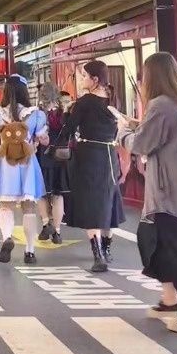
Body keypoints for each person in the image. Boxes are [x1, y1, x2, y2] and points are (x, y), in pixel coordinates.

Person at [118, 53, 177, 332]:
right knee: (162, 247)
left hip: (169, 194)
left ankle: (174, 303)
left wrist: (122, 133)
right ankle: (169, 301)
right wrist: (137, 124)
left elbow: (142, 145)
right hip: (176, 191)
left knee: (170, 249)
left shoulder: (160, 105)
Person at [66, 59, 126, 273]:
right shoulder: (114, 100)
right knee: (109, 201)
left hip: (89, 157)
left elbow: (69, 128)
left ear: (94, 79)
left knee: (92, 204)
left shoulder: (84, 102)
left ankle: (98, 254)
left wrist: (67, 113)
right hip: (110, 156)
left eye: (84, 76)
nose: (81, 79)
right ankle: (107, 250)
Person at [0, 75, 48, 264]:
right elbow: (44, 140)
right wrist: (39, 139)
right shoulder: (36, 115)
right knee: (28, 207)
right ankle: (29, 251)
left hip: (5, 164)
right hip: (27, 163)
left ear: (5, 92)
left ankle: (7, 237)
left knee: (5, 205)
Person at [37, 85, 71, 245]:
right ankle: (57, 232)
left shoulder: (40, 114)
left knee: (42, 194)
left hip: (44, 158)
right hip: (62, 158)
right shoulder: (63, 113)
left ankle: (46, 224)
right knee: (58, 195)